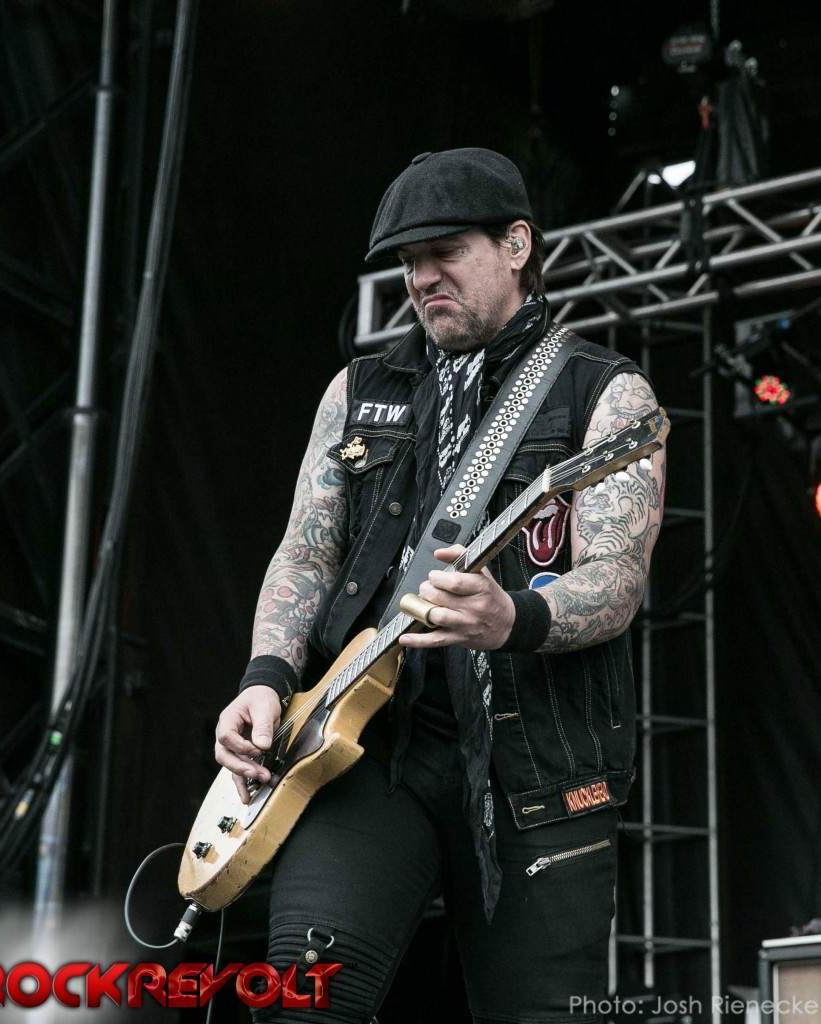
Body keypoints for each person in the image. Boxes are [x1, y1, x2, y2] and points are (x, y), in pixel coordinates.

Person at [214, 148, 666, 1024]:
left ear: (516, 244)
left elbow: (616, 580)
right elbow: (305, 554)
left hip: (538, 770)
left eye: (445, 252)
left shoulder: (603, 396)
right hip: (365, 750)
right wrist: (265, 678)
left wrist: (514, 615)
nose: (421, 278)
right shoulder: (359, 390)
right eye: (406, 261)